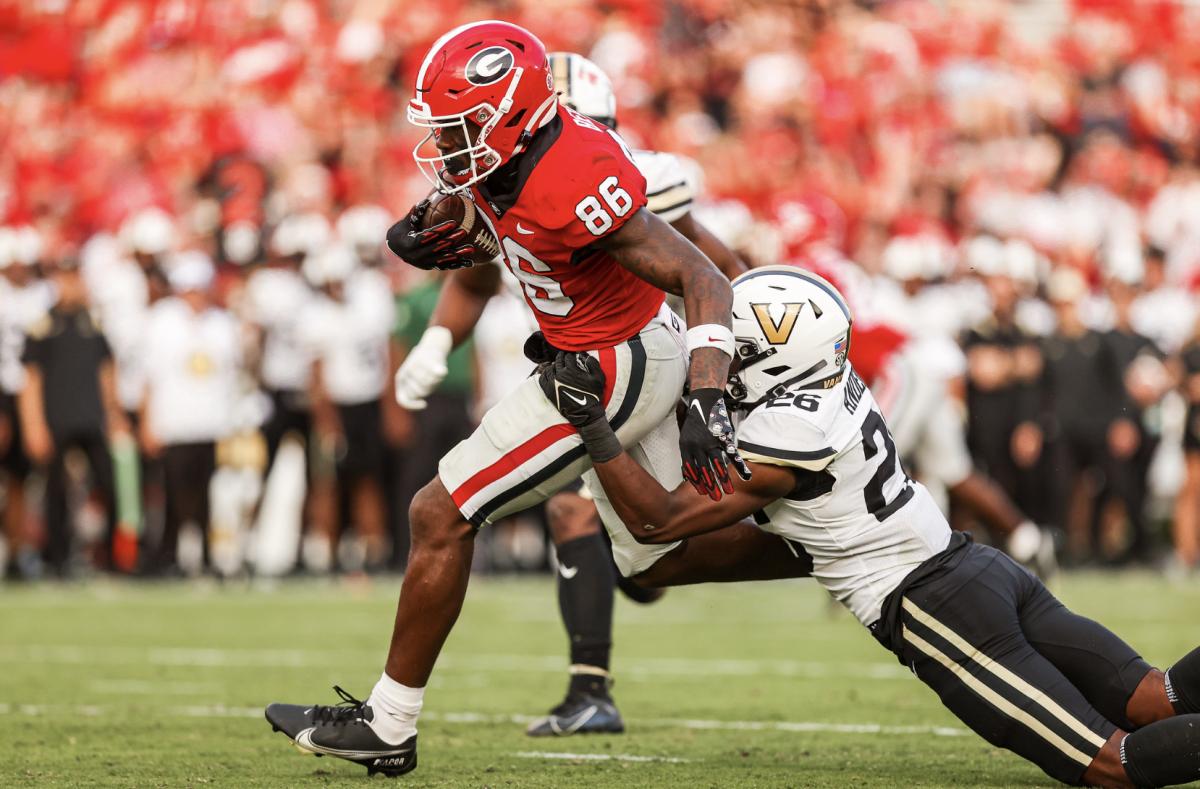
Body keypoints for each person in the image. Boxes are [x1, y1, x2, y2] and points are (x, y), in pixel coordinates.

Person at [265, 21, 809, 776]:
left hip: (611, 361)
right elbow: (483, 227)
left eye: (461, 127)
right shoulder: (505, 154)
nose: (448, 144)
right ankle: (825, 542)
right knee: (648, 552)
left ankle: (388, 723)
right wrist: (427, 231)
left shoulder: (576, 172)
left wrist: (709, 393)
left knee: (439, 510)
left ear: (511, 117)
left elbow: (706, 276)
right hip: (603, 350)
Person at [540, 265, 1200, 789]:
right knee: (1152, 694)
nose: (717, 365)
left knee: (1113, 762)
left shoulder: (784, 433)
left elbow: (658, 520)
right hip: (977, 565)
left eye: (734, 354)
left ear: (769, 359)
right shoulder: (824, 377)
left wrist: (593, 423)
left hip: (933, 604)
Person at [518, 50, 750, 736]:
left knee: (651, 556)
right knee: (570, 508)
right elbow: (475, 277)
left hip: (664, 364)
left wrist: (718, 377)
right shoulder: (505, 185)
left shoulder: (642, 182)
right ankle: (590, 687)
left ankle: (818, 549)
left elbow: (725, 269)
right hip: (584, 367)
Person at [19, 252, 128, 577]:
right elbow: (32, 380)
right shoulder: (42, 327)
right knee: (56, 493)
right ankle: (57, 560)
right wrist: (34, 425)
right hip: (56, 419)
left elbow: (107, 372)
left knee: (109, 484)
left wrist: (114, 413)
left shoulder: (91, 325)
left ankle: (111, 558)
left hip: (91, 417)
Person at [138, 252, 241, 575]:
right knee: (173, 496)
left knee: (209, 497)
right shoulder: (162, 321)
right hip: (174, 424)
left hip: (212, 424)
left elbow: (232, 376)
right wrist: (147, 423)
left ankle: (209, 558)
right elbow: (149, 378)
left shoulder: (223, 323)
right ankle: (170, 557)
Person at [299, 243, 394, 571]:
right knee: (328, 481)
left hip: (366, 402)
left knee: (368, 479)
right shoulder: (315, 315)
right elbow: (315, 376)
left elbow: (382, 357)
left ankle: (373, 547)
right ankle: (325, 551)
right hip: (335, 407)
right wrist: (326, 420)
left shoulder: (366, 304)